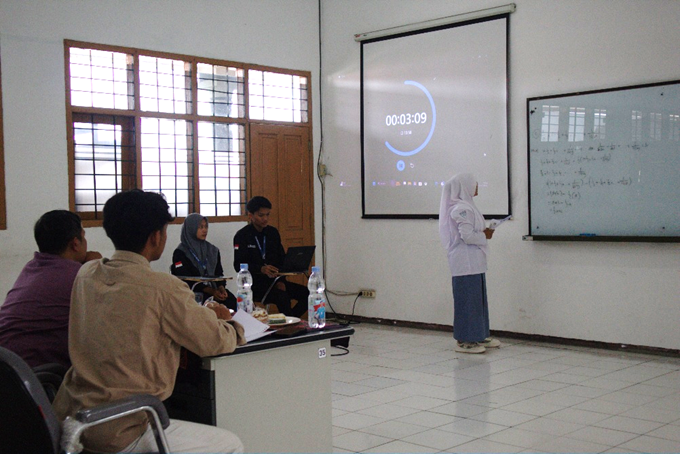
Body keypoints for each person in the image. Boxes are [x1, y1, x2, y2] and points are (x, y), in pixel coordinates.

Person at [52, 190, 246, 453]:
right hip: (121, 428)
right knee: (231, 444)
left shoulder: (86, 274)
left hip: (71, 420)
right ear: (156, 236)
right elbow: (214, 341)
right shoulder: (163, 287)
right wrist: (228, 323)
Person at [0, 210, 101, 369]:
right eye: (84, 236)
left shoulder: (32, 267)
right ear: (75, 244)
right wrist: (95, 266)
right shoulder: (80, 276)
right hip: (37, 375)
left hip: (7, 366)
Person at [439, 173, 501, 354]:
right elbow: (467, 236)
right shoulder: (460, 209)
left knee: (477, 300)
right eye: (474, 184)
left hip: (474, 262)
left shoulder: (468, 206)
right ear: (464, 186)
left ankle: (479, 335)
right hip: (464, 262)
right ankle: (465, 340)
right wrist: (484, 235)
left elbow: (472, 231)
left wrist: (485, 232)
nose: (477, 186)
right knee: (467, 300)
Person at [233, 196, 308, 318]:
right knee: (282, 297)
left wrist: (281, 280)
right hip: (256, 285)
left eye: (267, 215)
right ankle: (289, 323)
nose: (265, 219)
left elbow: (282, 259)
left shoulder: (272, 233)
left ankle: (291, 320)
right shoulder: (242, 236)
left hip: (276, 281)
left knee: (307, 293)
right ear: (250, 215)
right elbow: (238, 265)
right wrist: (261, 269)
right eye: (261, 215)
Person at [171, 213, 237, 311]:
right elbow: (185, 279)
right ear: (191, 228)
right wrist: (211, 291)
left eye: (206, 226)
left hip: (214, 291)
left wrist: (221, 288)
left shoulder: (213, 250)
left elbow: (219, 273)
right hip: (193, 293)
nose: (204, 230)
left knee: (232, 302)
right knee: (212, 308)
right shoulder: (180, 252)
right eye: (200, 227)